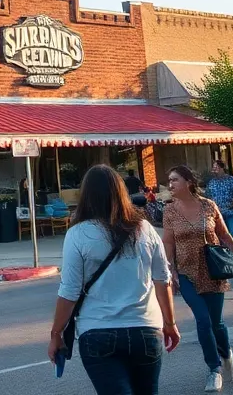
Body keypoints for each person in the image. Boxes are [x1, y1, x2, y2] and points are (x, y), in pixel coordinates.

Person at [46, 165, 179, 395]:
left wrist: (56, 333)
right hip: (145, 330)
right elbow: (162, 280)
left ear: (86, 195)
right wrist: (170, 323)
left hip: (98, 332)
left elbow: (69, 291)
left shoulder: (78, 234)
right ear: (121, 192)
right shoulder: (144, 229)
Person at [162, 166, 233, 393]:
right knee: (203, 320)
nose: (170, 185)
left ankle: (226, 352)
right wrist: (168, 270)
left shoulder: (208, 206)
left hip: (213, 271)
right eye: (169, 180)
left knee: (216, 323)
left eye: (175, 180)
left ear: (189, 182)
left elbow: (225, 235)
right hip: (186, 273)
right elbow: (168, 243)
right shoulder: (169, 211)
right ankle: (214, 369)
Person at [206, 160, 233, 253]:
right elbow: (207, 197)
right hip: (218, 215)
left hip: (232, 213)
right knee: (221, 238)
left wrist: (232, 204)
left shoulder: (231, 180)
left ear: (222, 168)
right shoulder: (211, 183)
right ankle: (226, 257)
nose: (214, 170)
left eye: (216, 168)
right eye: (213, 168)